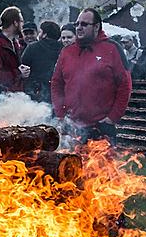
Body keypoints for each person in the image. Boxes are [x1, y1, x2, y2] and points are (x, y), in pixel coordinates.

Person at [51, 8, 132, 143]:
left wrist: (112, 117)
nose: (79, 28)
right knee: (71, 163)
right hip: (72, 126)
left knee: (101, 164)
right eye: (77, 24)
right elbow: (56, 83)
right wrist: (60, 113)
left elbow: (125, 85)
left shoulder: (112, 48)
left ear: (96, 27)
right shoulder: (67, 51)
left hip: (101, 127)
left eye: (84, 24)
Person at [0, 6, 30, 95]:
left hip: (12, 97)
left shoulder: (14, 43)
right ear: (15, 23)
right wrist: (18, 72)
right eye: (21, 21)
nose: (22, 25)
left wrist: (22, 71)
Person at [21, 20, 62, 103]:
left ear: (44, 34)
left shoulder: (32, 47)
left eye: (40, 32)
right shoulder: (63, 49)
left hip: (35, 92)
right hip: (57, 94)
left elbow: (22, 66)